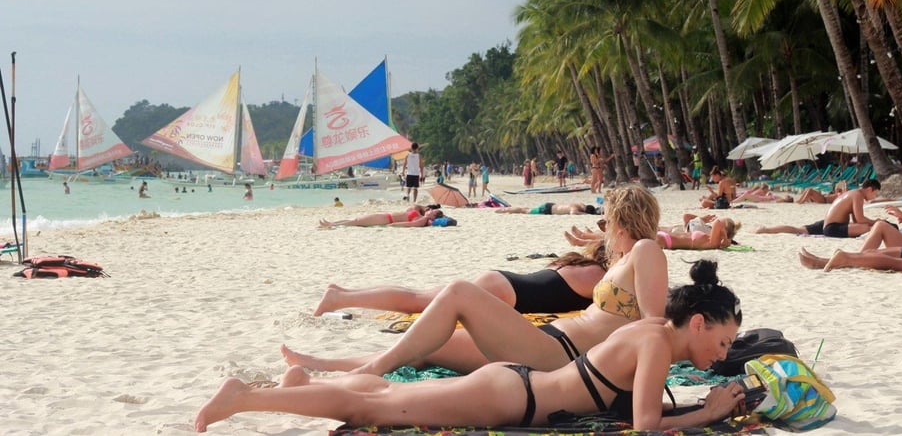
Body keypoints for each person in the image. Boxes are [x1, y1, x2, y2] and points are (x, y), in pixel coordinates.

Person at [195, 260, 743, 433]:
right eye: (723, 340)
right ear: (696, 323)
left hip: (516, 387)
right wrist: (709, 412)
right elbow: (646, 428)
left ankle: (307, 385)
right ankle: (243, 398)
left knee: (384, 397)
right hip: (512, 397)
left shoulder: (651, 339)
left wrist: (701, 406)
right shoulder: (651, 341)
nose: (723, 352)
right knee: (373, 409)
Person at [281, 184, 667, 376]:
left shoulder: (646, 250)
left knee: (457, 294)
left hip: (560, 352)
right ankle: (327, 365)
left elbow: (653, 323)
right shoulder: (627, 257)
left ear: (621, 219)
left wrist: (616, 366)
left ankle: (367, 368)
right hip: (551, 342)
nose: (605, 228)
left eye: (608, 220)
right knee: (432, 345)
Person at [313, 242, 609, 317]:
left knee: (420, 295)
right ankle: (340, 298)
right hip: (506, 292)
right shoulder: (599, 276)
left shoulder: (582, 265)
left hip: (503, 284)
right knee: (419, 302)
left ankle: (343, 293)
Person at [754, 178, 882, 237]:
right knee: (868, 228)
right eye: (875, 194)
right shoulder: (857, 196)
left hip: (827, 223)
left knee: (797, 229)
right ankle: (765, 230)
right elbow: (860, 220)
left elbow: (856, 220)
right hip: (833, 228)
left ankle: (766, 230)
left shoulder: (853, 193)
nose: (875, 197)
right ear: (870, 189)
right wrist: (877, 222)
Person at [566, 214, 740, 251]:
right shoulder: (711, 239)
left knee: (625, 237)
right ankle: (585, 237)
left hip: (665, 241)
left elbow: (718, 223)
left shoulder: (713, 242)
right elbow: (717, 224)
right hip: (665, 239)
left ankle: (583, 240)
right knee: (624, 235)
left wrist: (724, 238)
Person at [318, 206, 452, 228]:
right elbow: (415, 205)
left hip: (387, 220)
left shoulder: (422, 220)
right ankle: (332, 223)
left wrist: (392, 226)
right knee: (356, 219)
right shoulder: (420, 212)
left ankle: (332, 225)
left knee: (357, 221)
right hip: (386, 215)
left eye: (432, 212)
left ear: (433, 218)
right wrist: (425, 208)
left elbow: (409, 225)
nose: (430, 211)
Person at [494, 202, 601, 215]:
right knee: (524, 210)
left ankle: (509, 210)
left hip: (551, 206)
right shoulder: (575, 208)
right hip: (547, 210)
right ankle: (506, 210)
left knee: (526, 208)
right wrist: (586, 215)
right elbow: (573, 213)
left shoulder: (580, 204)